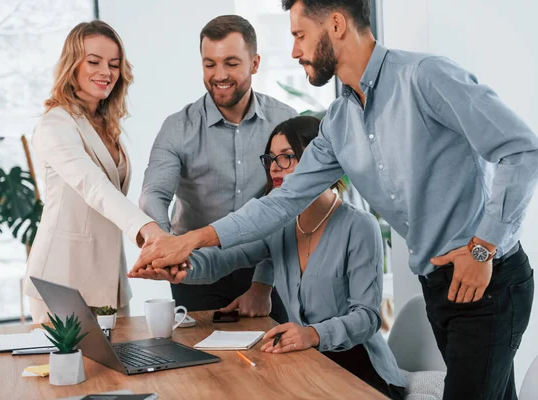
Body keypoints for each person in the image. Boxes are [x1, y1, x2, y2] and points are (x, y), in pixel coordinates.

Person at [131, 1, 538, 399]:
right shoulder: (340, 122)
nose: (294, 51)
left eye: (300, 35)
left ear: (337, 25)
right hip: (438, 284)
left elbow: (521, 149)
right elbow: (280, 202)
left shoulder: (423, 77)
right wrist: (190, 240)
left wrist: (484, 248)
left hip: (489, 278)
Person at [134, 116, 406, 399]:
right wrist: (177, 267)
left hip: (360, 368)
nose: (275, 167)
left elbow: (367, 317)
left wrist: (312, 334)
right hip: (307, 361)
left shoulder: (360, 226)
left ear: (319, 162)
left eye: (287, 157)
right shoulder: (279, 226)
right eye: (271, 158)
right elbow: (221, 260)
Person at [138, 15, 296, 321]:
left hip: (266, 270)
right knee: (206, 366)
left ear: (255, 63)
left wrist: (263, 284)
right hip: (195, 272)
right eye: (210, 64)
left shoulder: (284, 121)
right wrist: (164, 244)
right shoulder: (177, 127)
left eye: (231, 63)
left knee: (278, 365)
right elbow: (153, 194)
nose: (219, 75)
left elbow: (289, 209)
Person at [23, 20, 168, 323]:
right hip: (63, 280)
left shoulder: (106, 124)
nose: (106, 72)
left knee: (118, 367)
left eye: (114, 64)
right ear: (72, 65)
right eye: (94, 61)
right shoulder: (56, 124)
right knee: (69, 371)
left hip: (109, 281)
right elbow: (94, 186)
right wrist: (148, 230)